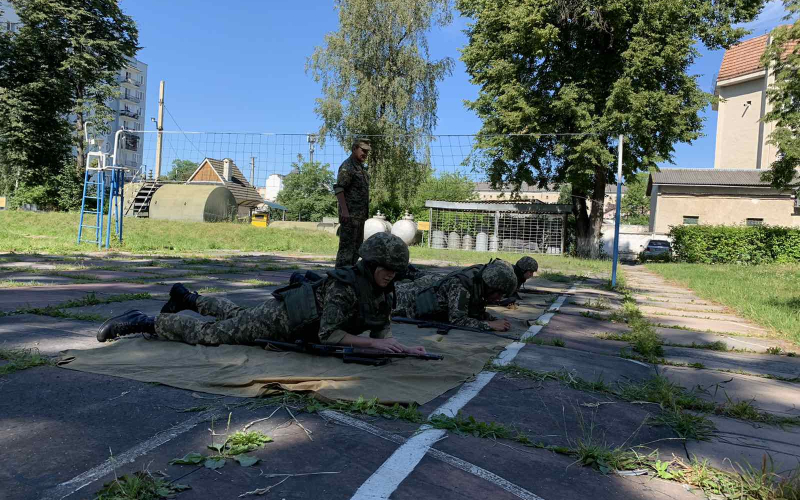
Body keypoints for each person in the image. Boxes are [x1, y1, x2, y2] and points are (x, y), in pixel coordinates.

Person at [96, 233, 426, 355]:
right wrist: (372, 343)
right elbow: (329, 335)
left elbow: (382, 327)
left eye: (395, 271)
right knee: (213, 335)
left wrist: (404, 348)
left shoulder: (383, 289)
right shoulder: (346, 288)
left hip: (288, 319)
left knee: (239, 317)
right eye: (385, 268)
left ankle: (190, 298)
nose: (391, 275)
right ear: (369, 265)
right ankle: (145, 322)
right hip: (279, 321)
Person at [392, 259, 518, 332]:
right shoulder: (462, 285)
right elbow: (458, 319)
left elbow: (472, 310)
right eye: (499, 294)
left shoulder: (478, 282)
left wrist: (490, 319)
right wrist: (489, 325)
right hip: (402, 301)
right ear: (491, 286)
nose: (499, 299)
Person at [334, 138, 371, 268]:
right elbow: (339, 189)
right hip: (349, 217)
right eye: (363, 150)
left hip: (359, 217)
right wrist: (344, 211)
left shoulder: (361, 168)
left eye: (367, 151)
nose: (365, 154)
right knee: (346, 252)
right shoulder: (347, 166)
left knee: (356, 250)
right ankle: (339, 281)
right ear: (354, 148)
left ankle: (350, 280)